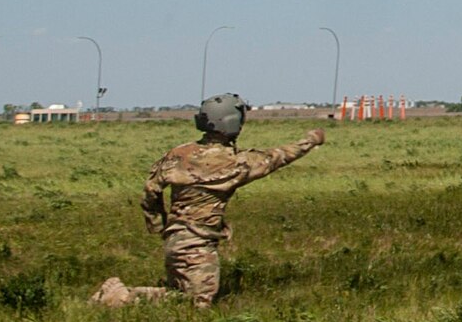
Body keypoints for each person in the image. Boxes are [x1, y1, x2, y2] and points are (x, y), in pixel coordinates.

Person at [99, 94, 326, 308]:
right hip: (197, 243)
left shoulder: (178, 153)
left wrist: (158, 223)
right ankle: (122, 296)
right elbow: (277, 157)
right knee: (196, 302)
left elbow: (151, 188)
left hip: (174, 238)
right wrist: (311, 140)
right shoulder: (233, 163)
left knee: (179, 291)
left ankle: (117, 295)